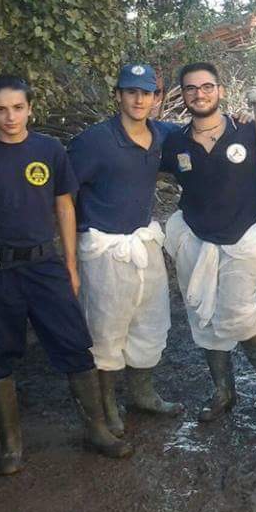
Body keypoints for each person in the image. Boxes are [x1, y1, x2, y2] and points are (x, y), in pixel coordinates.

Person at [0, 75, 132, 475]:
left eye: (17, 107)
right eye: (0, 109)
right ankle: (11, 446)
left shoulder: (49, 150)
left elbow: (64, 207)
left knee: (73, 344)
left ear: (29, 108)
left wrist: (70, 265)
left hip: (44, 266)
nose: (10, 117)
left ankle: (97, 430)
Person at [160, 62, 256, 421]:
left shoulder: (248, 130)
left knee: (238, 310)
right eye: (191, 88)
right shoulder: (174, 140)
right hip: (195, 236)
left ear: (220, 91)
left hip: (243, 235)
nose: (200, 94)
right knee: (202, 314)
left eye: (207, 86)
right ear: (183, 95)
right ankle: (223, 391)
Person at [68, 63, 184, 437]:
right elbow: (63, 196)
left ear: (156, 98)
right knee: (105, 328)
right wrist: (68, 255)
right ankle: (106, 405)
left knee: (148, 320)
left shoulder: (162, 134)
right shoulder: (93, 141)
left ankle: (142, 393)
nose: (139, 99)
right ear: (117, 94)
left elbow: (200, 134)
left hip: (142, 241)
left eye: (147, 92)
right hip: (103, 247)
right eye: (131, 91)